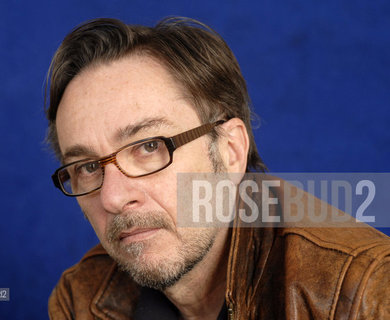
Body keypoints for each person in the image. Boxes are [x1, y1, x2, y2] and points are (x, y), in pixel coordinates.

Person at [44, 17, 390, 319]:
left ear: (230, 151)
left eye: (149, 147)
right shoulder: (82, 299)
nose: (113, 197)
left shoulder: (362, 289)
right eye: (87, 166)